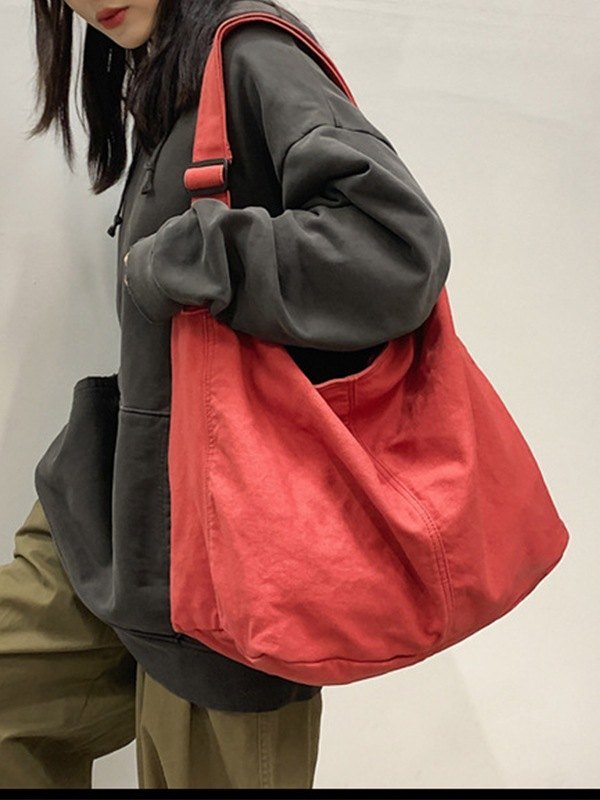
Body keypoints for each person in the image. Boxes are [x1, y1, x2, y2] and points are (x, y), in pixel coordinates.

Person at [0, 0, 451, 790]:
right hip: (121, 521)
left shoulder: (250, 55)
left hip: (228, 568)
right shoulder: (167, 74)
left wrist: (190, 255)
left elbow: (396, 248)